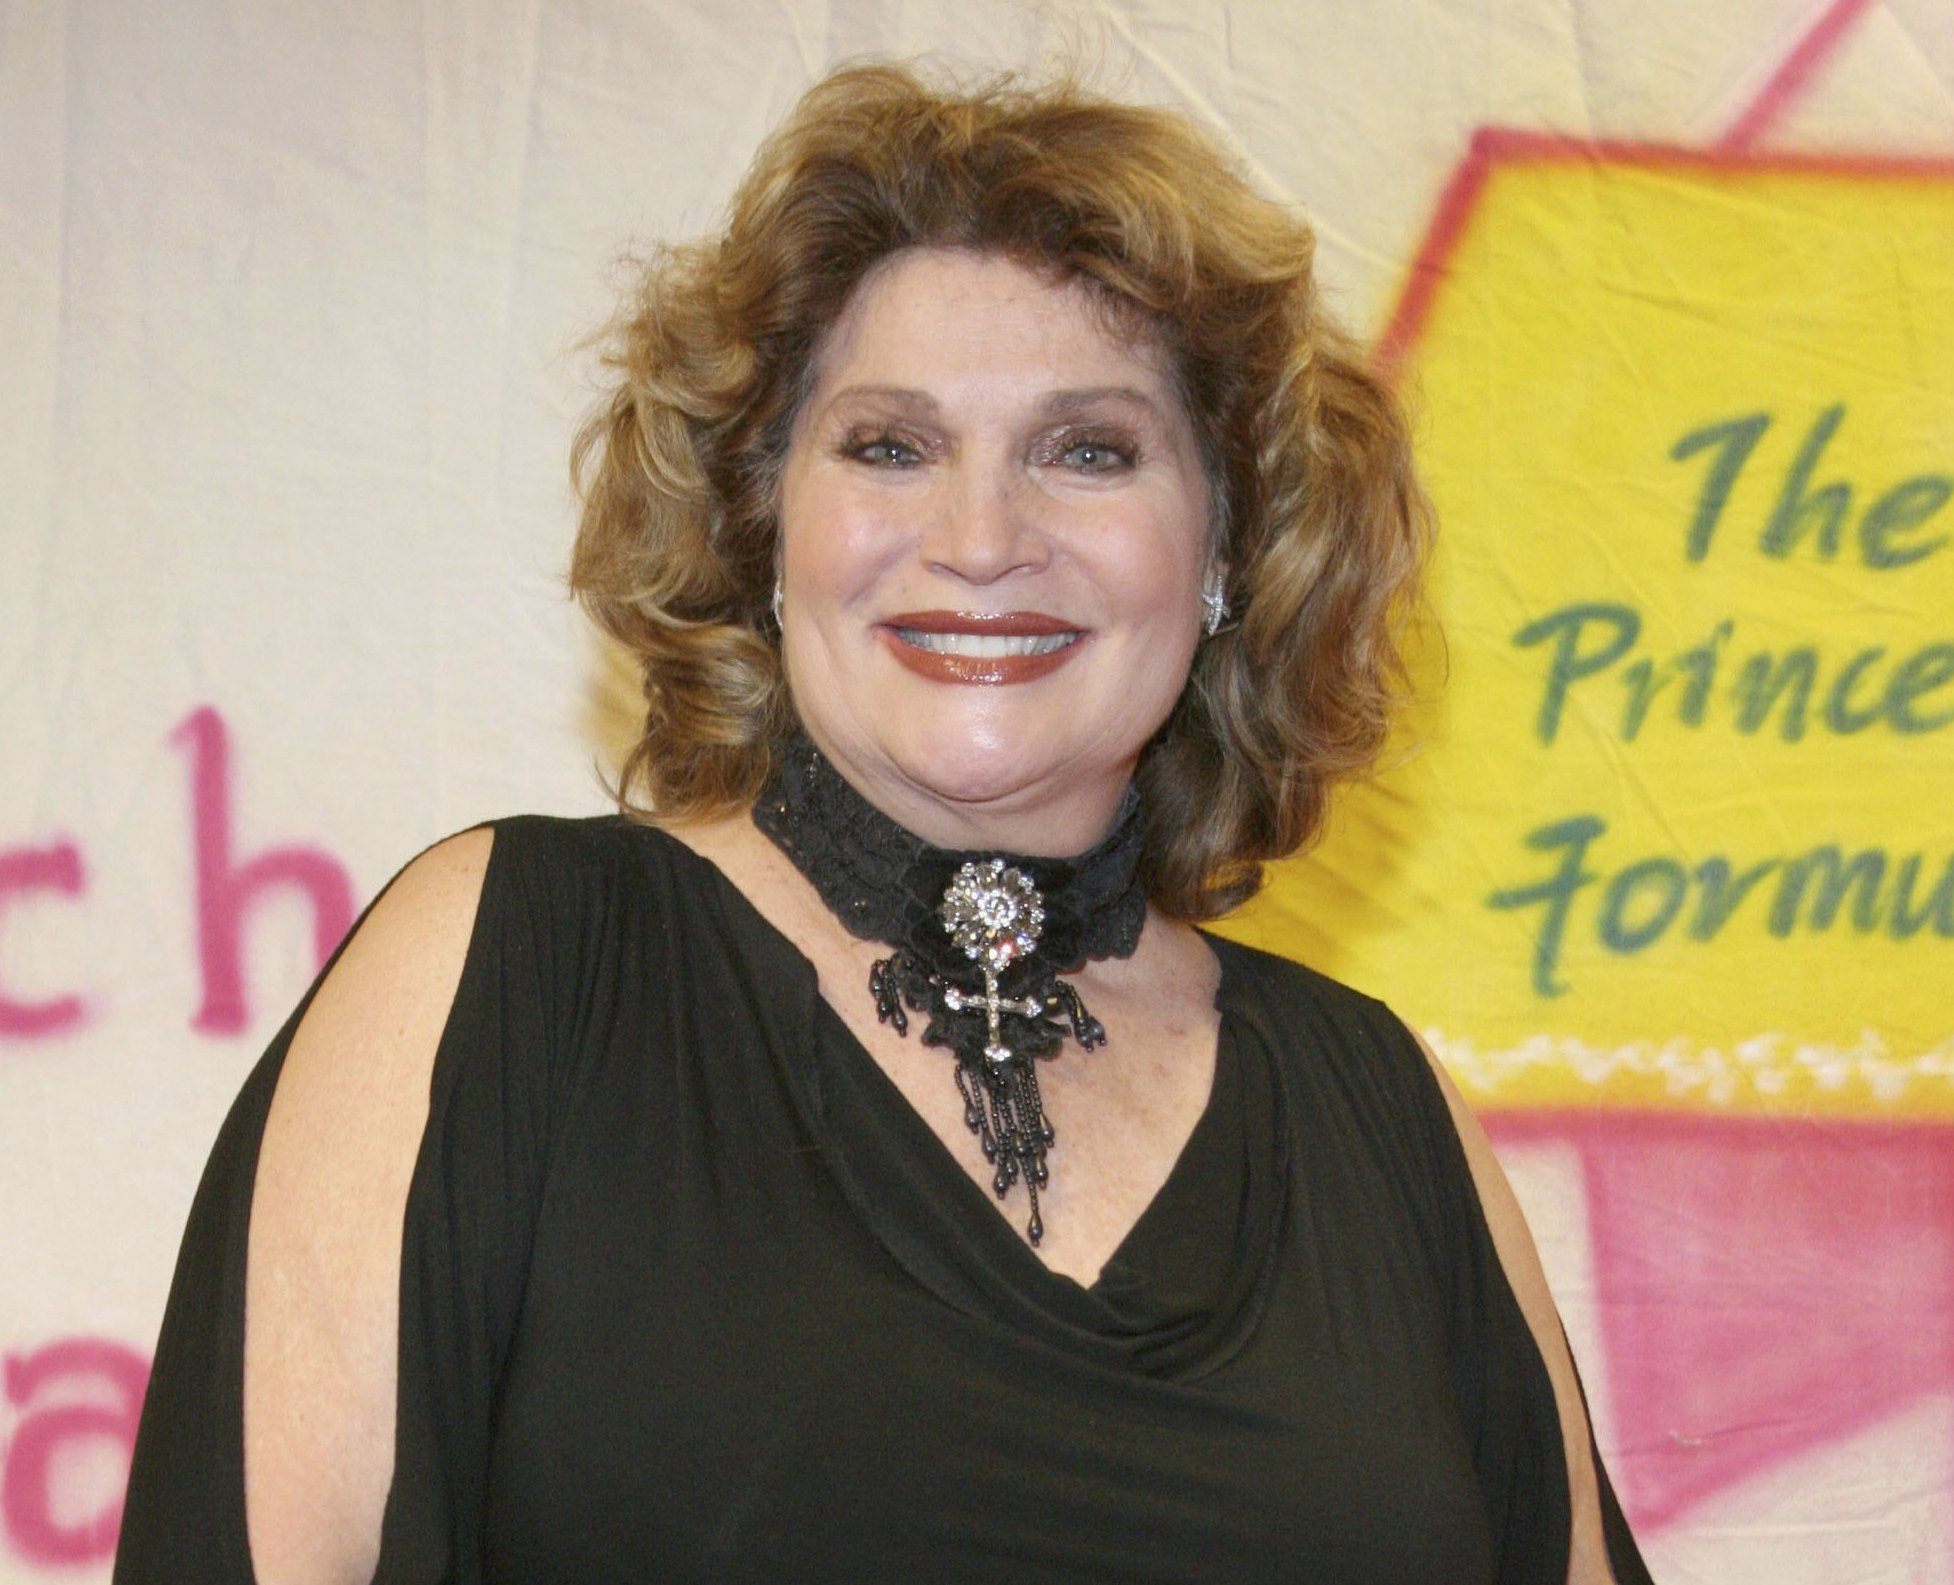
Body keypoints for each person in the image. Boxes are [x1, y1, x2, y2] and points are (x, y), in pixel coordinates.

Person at [115, 59, 1652, 1585]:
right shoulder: (516, 970)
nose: (980, 538)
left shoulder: (1378, 1112)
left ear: (1223, 549)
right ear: (761, 521)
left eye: (1087, 449)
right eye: (890, 446)